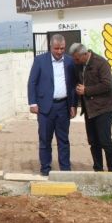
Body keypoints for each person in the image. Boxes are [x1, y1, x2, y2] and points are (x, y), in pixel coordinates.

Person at [27, 34, 77, 176]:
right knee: (45, 140)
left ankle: (65, 170)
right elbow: (32, 82)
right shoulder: (40, 61)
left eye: (62, 48)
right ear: (50, 47)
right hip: (45, 108)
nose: (59, 51)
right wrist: (33, 103)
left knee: (63, 140)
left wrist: (73, 105)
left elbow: (73, 84)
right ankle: (45, 169)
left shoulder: (70, 61)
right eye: (56, 48)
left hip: (63, 107)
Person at [68, 43, 112, 172]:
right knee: (93, 142)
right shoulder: (78, 65)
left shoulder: (101, 63)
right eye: (74, 59)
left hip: (104, 108)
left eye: (77, 59)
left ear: (84, 54)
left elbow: (107, 85)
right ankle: (98, 170)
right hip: (89, 110)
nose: (75, 61)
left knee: (105, 141)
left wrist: (87, 90)